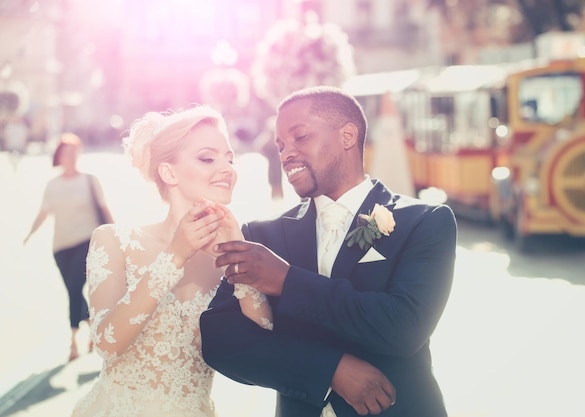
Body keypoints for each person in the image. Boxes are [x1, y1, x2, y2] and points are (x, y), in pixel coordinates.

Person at [200, 86, 458, 417]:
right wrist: (328, 370)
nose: (286, 153)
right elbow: (221, 340)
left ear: (347, 135)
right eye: (280, 146)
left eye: (300, 137)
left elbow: (404, 328)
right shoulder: (262, 236)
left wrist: (286, 281)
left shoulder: (424, 222)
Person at [70, 105, 272, 417]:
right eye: (208, 157)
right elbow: (106, 344)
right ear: (169, 172)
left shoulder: (231, 253)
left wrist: (238, 252)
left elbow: (266, 343)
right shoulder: (114, 241)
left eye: (229, 158)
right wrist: (174, 256)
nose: (226, 168)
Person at [23, 133, 114, 361]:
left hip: (86, 242)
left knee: (74, 289)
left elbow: (104, 208)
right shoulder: (52, 185)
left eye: (74, 152)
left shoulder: (90, 180)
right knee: (73, 290)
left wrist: (116, 235)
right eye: (66, 153)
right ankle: (92, 323)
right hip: (61, 248)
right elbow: (43, 213)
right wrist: (29, 234)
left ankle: (73, 342)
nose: (71, 157)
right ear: (60, 156)